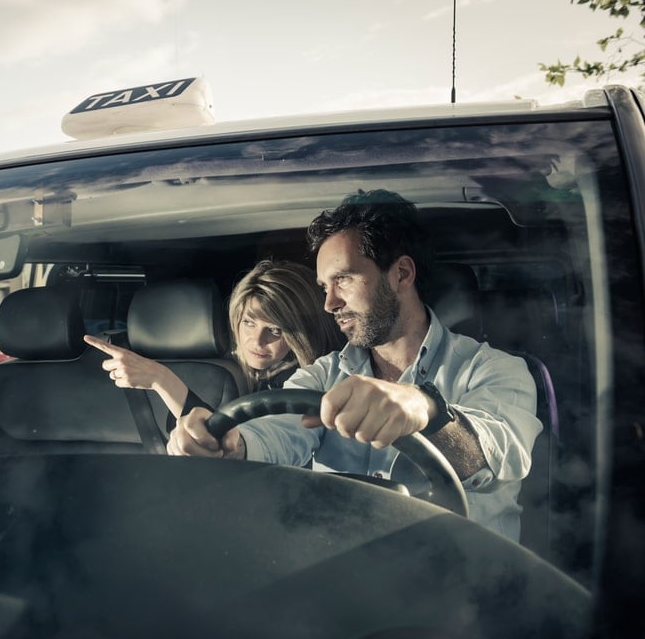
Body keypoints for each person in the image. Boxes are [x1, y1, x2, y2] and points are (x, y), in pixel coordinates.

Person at [167, 189, 541, 541]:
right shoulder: (322, 375)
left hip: (463, 588)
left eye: (343, 279)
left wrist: (424, 408)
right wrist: (232, 444)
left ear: (402, 274)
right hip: (342, 581)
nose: (329, 303)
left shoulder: (494, 369)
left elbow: (493, 458)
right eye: (324, 286)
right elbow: (278, 431)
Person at [83, 260, 344, 428]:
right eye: (249, 323)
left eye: (275, 330)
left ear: (301, 334)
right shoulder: (223, 366)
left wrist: (161, 378)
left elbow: (229, 449)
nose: (257, 340)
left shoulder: (305, 384)